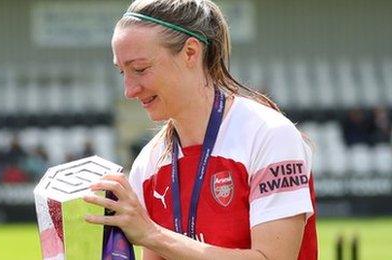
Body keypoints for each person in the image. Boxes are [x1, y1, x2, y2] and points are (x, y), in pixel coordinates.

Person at [83, 0, 317, 259]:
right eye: (122, 72)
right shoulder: (148, 164)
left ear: (191, 53)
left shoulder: (269, 135)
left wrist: (152, 234)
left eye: (140, 69)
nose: (129, 90)